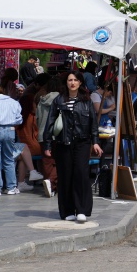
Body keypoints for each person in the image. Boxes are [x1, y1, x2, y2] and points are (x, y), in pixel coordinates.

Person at [43, 72, 103, 222]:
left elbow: (93, 123)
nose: (73, 83)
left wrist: (95, 141)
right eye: (70, 80)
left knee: (81, 175)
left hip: (82, 142)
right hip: (64, 143)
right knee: (65, 176)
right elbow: (50, 122)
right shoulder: (59, 100)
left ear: (80, 83)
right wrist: (48, 143)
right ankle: (67, 210)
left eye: (76, 80)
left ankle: (82, 209)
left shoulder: (86, 100)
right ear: (66, 82)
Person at [36, 76, 62, 196]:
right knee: (58, 161)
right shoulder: (61, 99)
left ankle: (48, 182)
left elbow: (37, 118)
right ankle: (53, 184)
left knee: (47, 162)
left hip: (42, 134)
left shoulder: (41, 100)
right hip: (57, 134)